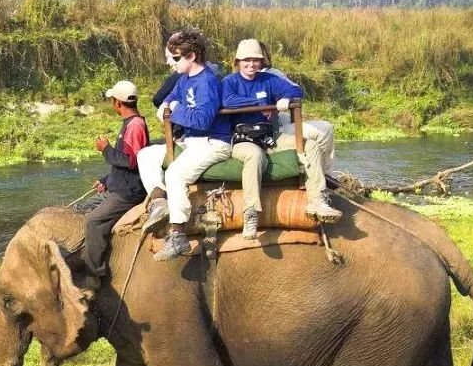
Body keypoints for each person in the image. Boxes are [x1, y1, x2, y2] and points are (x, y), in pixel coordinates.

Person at [221, 39, 341, 239]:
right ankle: (251, 213)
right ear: (238, 62)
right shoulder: (230, 82)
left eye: (256, 60)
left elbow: (295, 91)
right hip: (244, 140)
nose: (251, 65)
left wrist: (284, 98)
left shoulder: (267, 79)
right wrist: (262, 103)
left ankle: (317, 199)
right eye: (247, 60)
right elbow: (228, 101)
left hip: (270, 136)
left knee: (309, 144)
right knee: (254, 157)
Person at [137, 29, 232, 261]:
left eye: (176, 57)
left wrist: (173, 111)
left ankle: (178, 234)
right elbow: (170, 97)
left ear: (192, 56)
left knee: (175, 174)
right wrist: (168, 105)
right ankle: (160, 202)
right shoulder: (184, 79)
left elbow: (201, 120)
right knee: (146, 154)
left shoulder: (207, 82)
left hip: (213, 143)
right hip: (191, 142)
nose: (171, 62)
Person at [81, 80, 150, 286]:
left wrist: (105, 149)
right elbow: (122, 165)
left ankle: (94, 274)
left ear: (117, 103)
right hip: (119, 187)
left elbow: (131, 161)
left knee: (93, 221)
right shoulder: (129, 124)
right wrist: (106, 181)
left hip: (127, 193)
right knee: (84, 207)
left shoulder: (135, 125)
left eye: (113, 100)